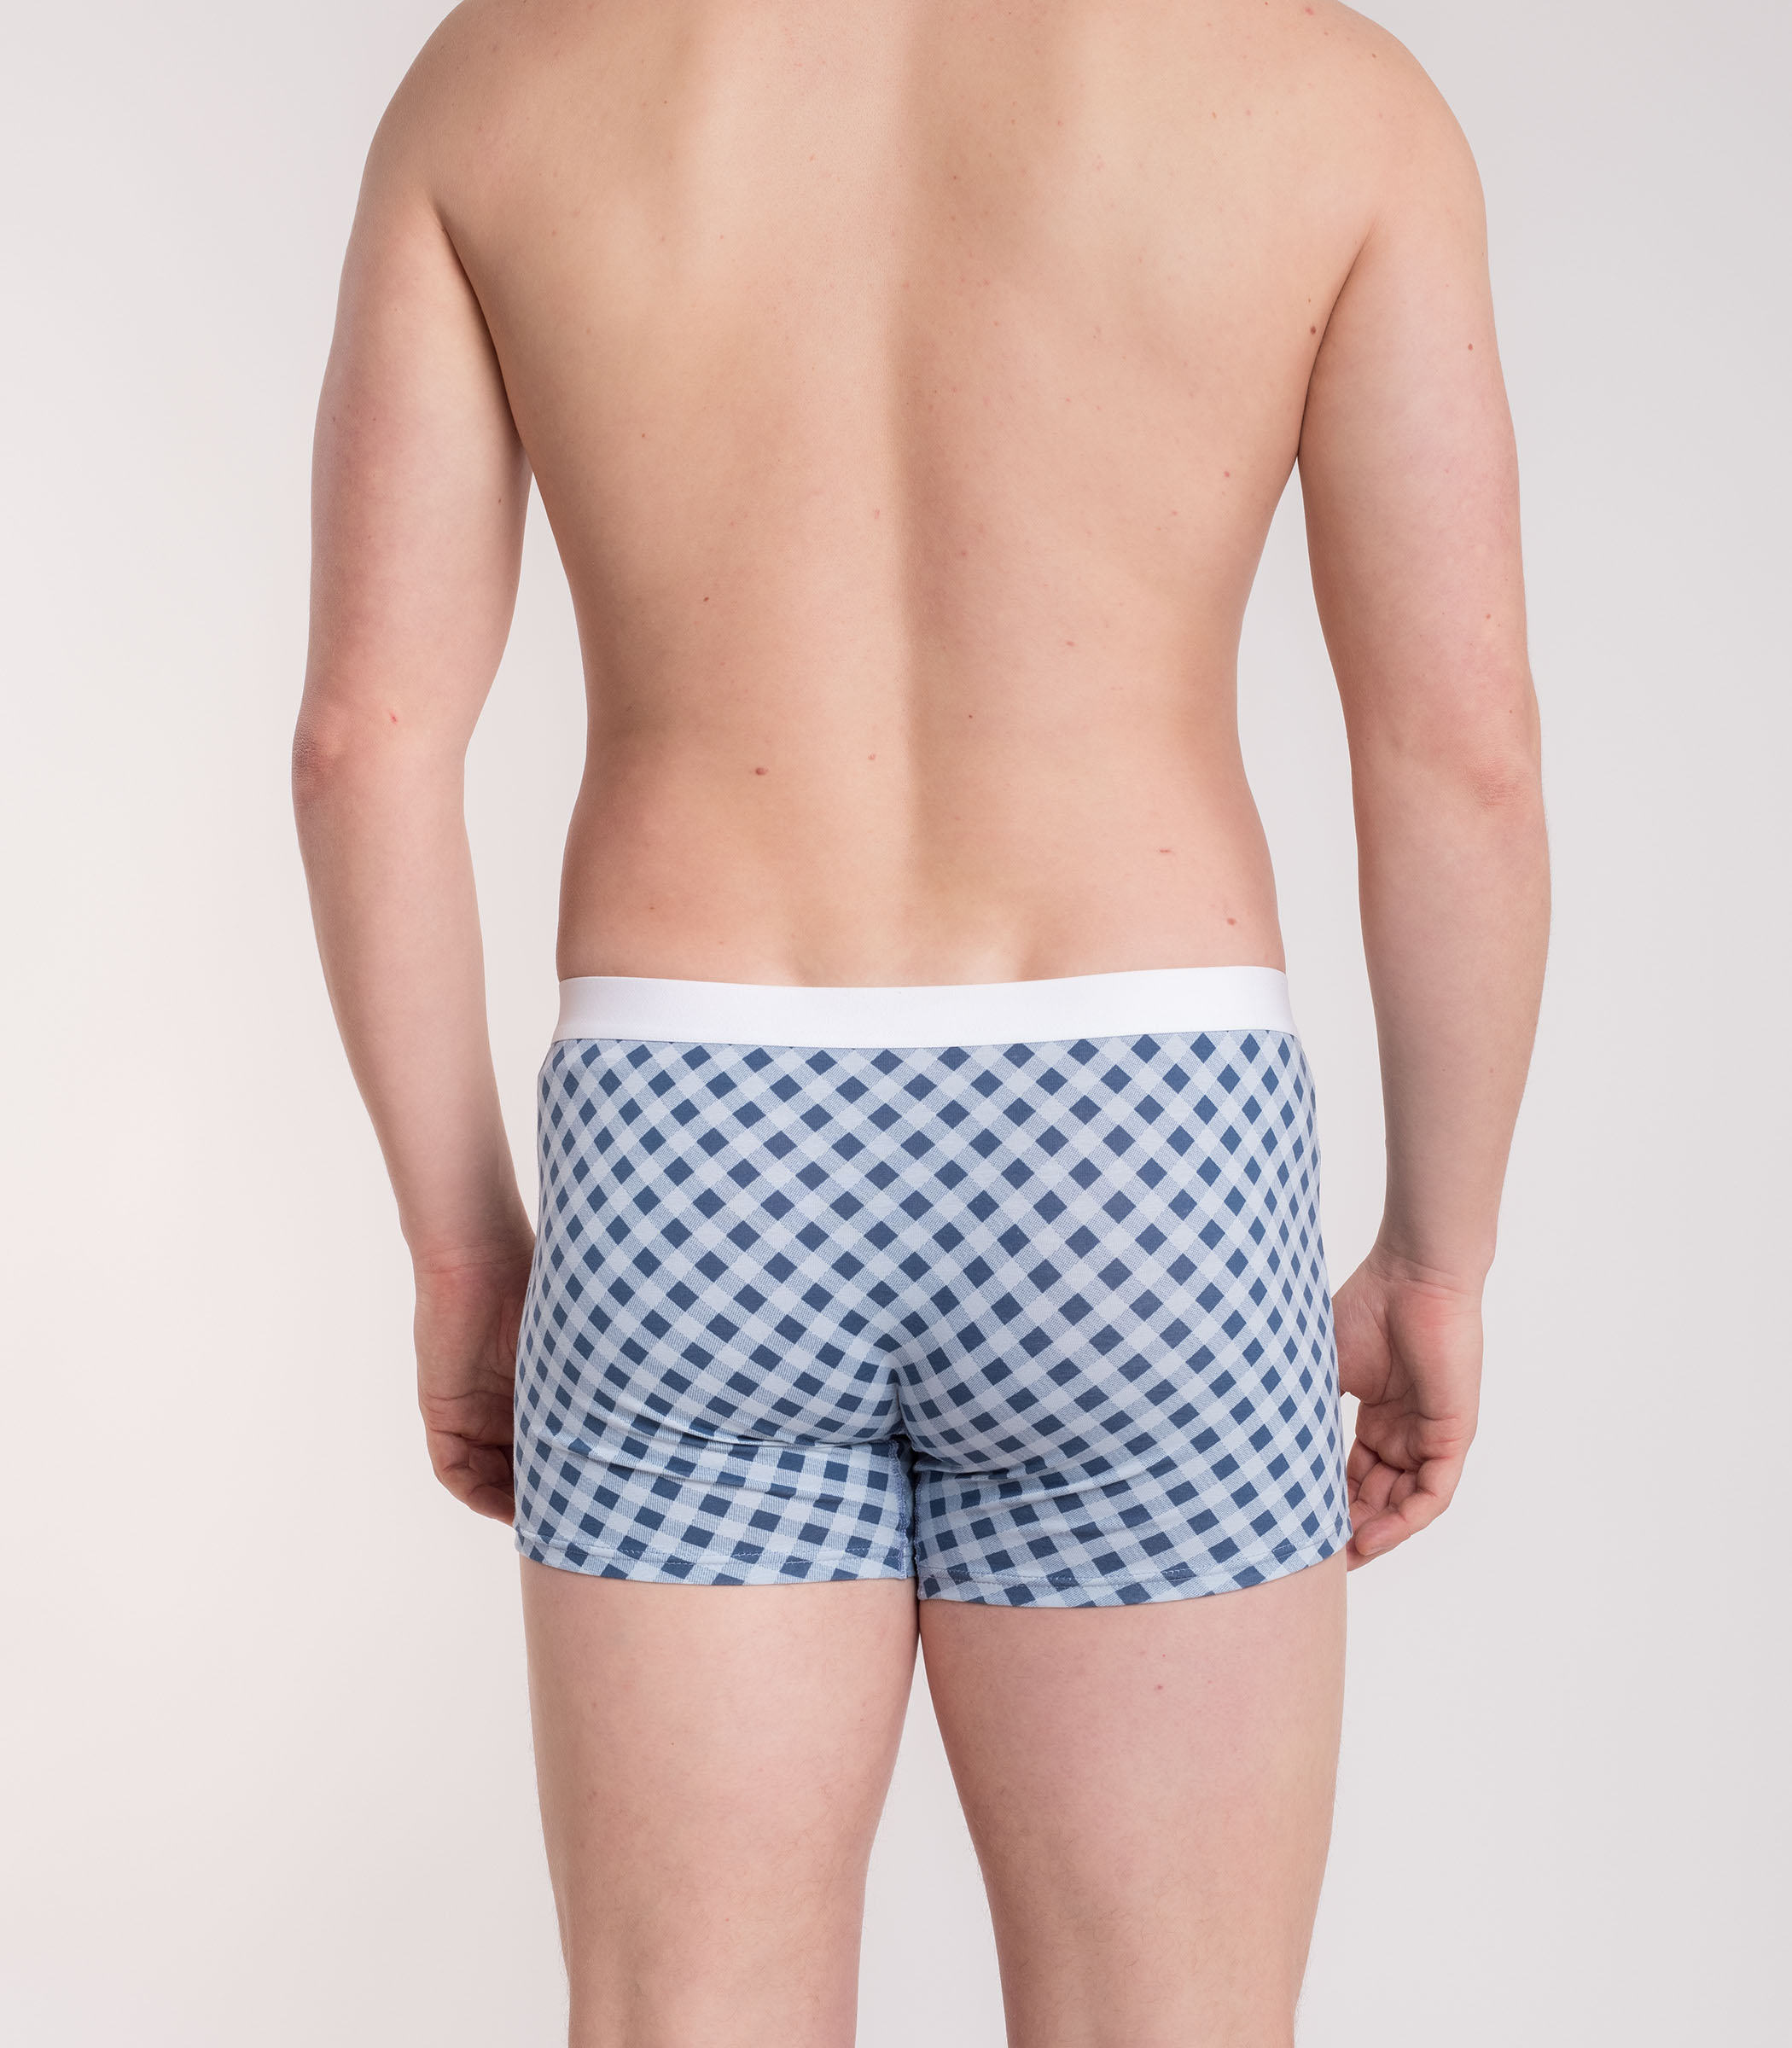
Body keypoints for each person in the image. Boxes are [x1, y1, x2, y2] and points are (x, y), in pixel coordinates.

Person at [293, 0, 1548, 2040]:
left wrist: (461, 1250)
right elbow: (1461, 758)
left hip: (692, 1134)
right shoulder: (1333, 97)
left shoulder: (502, 78)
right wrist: (1437, 1254)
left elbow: (364, 743)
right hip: (1144, 1145)